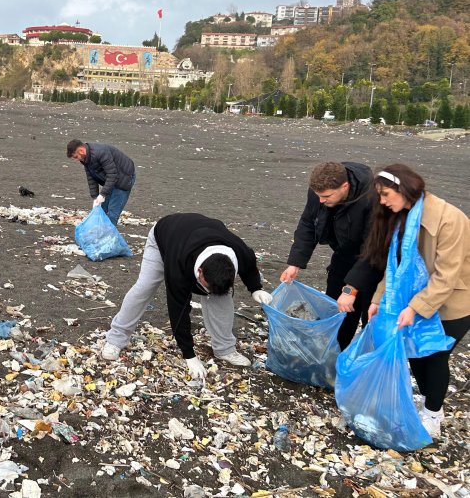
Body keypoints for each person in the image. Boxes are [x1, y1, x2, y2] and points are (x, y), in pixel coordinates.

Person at [362, 164, 470, 438]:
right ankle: (428, 402)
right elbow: (394, 266)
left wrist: (415, 308)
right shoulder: (403, 217)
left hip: (454, 302)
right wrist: (378, 299)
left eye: (386, 194)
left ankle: (433, 414)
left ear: (404, 188)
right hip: (414, 299)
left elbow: (447, 276)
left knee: (434, 355)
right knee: (415, 355)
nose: (383, 202)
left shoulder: (449, 220)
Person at [101, 213, 273, 378]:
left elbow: (250, 268)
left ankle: (225, 349)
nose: (207, 292)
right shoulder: (178, 266)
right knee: (145, 287)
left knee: (221, 298)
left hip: (200, 232)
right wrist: (189, 355)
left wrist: (255, 288)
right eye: (206, 286)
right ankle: (116, 338)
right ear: (199, 272)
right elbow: (179, 309)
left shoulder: (241, 252)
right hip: (165, 235)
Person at [280, 162, 382, 349]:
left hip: (375, 264)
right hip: (343, 255)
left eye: (326, 196)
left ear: (345, 186)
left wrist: (351, 289)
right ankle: (334, 355)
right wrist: (295, 263)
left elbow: (373, 249)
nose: (320, 201)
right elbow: (308, 224)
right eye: (318, 196)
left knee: (371, 318)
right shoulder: (318, 193)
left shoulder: (371, 197)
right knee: (336, 311)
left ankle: (367, 363)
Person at [66, 139, 135, 226]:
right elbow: (91, 177)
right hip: (111, 179)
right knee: (102, 210)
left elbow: (112, 174)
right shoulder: (85, 158)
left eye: (76, 157)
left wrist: (102, 194)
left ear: (81, 151)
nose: (76, 160)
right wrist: (95, 197)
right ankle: (100, 233)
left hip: (124, 178)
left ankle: (107, 237)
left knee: (112, 213)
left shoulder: (101, 153)